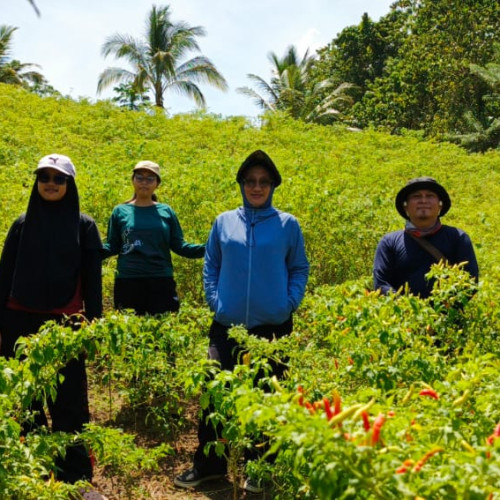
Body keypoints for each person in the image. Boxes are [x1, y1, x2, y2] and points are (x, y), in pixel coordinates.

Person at [174, 150, 309, 493]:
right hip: (226, 325)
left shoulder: (287, 224)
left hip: (273, 327)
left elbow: (299, 268)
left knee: (267, 396)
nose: (257, 187)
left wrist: (288, 303)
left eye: (264, 182)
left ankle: (258, 470)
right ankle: (210, 467)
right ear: (241, 184)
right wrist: (216, 303)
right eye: (250, 181)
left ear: (273, 186)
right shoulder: (224, 221)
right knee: (214, 394)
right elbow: (211, 265)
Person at [0, 154, 105, 497]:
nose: (51, 183)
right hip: (19, 321)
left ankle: (74, 478)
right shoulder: (21, 224)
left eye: (58, 178)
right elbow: (4, 278)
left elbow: (93, 281)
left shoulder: (84, 226)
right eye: (44, 176)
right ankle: (34, 471)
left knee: (70, 402)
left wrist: (94, 326)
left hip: (65, 324)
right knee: (27, 399)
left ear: (69, 184)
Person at [102, 160, 205, 315]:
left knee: (165, 329)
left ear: (157, 183)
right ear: (133, 180)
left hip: (161, 279)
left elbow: (180, 246)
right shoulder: (120, 211)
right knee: (130, 331)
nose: (144, 182)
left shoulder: (166, 211)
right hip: (128, 280)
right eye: (139, 177)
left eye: (150, 179)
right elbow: (112, 245)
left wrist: (210, 246)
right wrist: (85, 250)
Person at [373, 176, 479, 297]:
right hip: (402, 314)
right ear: (405, 206)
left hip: (448, 314)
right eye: (416, 196)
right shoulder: (389, 242)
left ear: (440, 205)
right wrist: (408, 308)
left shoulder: (458, 238)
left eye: (430, 196)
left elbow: (471, 281)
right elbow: (381, 283)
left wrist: (445, 308)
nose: (423, 201)